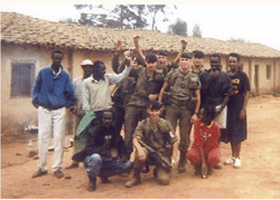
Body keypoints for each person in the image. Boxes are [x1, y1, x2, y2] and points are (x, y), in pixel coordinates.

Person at [31, 50, 77, 179]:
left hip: (59, 110)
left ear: (62, 60)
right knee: (43, 137)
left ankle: (57, 167)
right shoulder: (43, 72)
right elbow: (35, 87)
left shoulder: (65, 75)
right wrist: (37, 103)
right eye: (55, 58)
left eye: (60, 59)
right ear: (52, 58)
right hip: (44, 109)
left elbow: (71, 94)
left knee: (59, 138)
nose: (57, 60)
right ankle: (42, 167)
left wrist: (65, 105)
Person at [75, 59, 131, 155]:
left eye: (104, 69)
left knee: (111, 136)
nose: (104, 71)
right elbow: (86, 101)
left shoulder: (107, 78)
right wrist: (90, 116)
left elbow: (121, 77)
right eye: (102, 69)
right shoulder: (87, 82)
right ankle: (92, 157)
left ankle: (111, 158)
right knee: (94, 136)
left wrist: (128, 65)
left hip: (108, 113)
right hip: (95, 114)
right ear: (95, 70)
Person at [158, 52, 201, 173]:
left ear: (190, 62)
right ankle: (167, 157)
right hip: (172, 107)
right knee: (169, 132)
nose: (184, 62)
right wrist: (160, 105)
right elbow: (163, 89)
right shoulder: (173, 73)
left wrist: (195, 113)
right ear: (180, 61)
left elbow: (198, 96)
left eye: (187, 60)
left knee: (185, 135)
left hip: (186, 109)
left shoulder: (194, 77)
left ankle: (182, 159)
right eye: (182, 59)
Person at [72, 110, 132, 191]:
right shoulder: (93, 131)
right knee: (96, 158)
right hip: (93, 158)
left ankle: (104, 174)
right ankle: (92, 181)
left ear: (113, 120)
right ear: (101, 119)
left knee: (127, 165)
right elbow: (89, 148)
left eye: (109, 119)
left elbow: (121, 146)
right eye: (105, 119)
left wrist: (123, 156)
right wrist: (105, 152)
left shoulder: (114, 131)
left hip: (108, 159)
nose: (107, 121)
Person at [125, 101, 178, 188]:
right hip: (147, 152)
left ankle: (158, 170)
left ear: (160, 111)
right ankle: (136, 177)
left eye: (156, 110)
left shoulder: (166, 124)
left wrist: (173, 159)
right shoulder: (143, 123)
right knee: (139, 154)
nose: (154, 113)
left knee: (164, 180)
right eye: (151, 110)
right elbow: (135, 138)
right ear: (147, 111)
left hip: (161, 154)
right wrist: (140, 149)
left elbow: (175, 141)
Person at [124, 53, 164, 159]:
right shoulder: (139, 71)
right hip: (134, 103)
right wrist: (127, 60)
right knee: (129, 132)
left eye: (153, 63)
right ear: (145, 62)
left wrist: (156, 95)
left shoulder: (160, 76)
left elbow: (165, 88)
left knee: (147, 133)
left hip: (147, 107)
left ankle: (146, 158)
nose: (151, 65)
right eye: (148, 62)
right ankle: (127, 157)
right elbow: (123, 71)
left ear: (156, 63)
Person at [199, 53, 232, 169]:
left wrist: (221, 108)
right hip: (207, 108)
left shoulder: (225, 76)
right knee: (204, 133)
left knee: (217, 134)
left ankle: (215, 158)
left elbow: (228, 94)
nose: (214, 64)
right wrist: (210, 79)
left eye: (216, 62)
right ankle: (205, 157)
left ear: (219, 63)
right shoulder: (203, 75)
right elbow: (201, 92)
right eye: (212, 62)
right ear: (209, 62)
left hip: (219, 106)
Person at [65, 59, 94, 170]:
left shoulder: (94, 82)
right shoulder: (76, 82)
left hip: (91, 115)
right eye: (85, 67)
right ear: (82, 68)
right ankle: (75, 160)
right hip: (79, 113)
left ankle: (90, 160)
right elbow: (70, 95)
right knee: (77, 135)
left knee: (91, 136)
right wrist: (71, 108)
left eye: (89, 67)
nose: (87, 69)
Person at [111, 40, 144, 134]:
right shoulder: (123, 73)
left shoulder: (140, 74)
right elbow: (116, 67)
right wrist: (117, 54)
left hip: (131, 106)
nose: (133, 64)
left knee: (129, 131)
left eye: (135, 62)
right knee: (115, 128)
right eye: (131, 62)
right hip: (119, 104)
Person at [224, 53, 250, 168]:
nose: (232, 64)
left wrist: (244, 109)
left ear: (238, 63)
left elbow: (247, 93)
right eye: (230, 62)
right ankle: (232, 156)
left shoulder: (243, 76)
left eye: (234, 62)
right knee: (230, 132)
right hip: (228, 107)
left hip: (238, 107)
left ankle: (238, 157)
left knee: (238, 133)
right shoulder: (226, 75)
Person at [186, 105, 221, 179]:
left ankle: (210, 166)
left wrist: (206, 161)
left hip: (210, 147)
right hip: (199, 148)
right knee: (191, 155)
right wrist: (203, 162)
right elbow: (199, 142)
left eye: (202, 115)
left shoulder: (215, 126)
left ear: (208, 117)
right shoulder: (197, 123)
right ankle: (198, 165)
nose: (200, 117)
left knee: (214, 157)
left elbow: (214, 142)